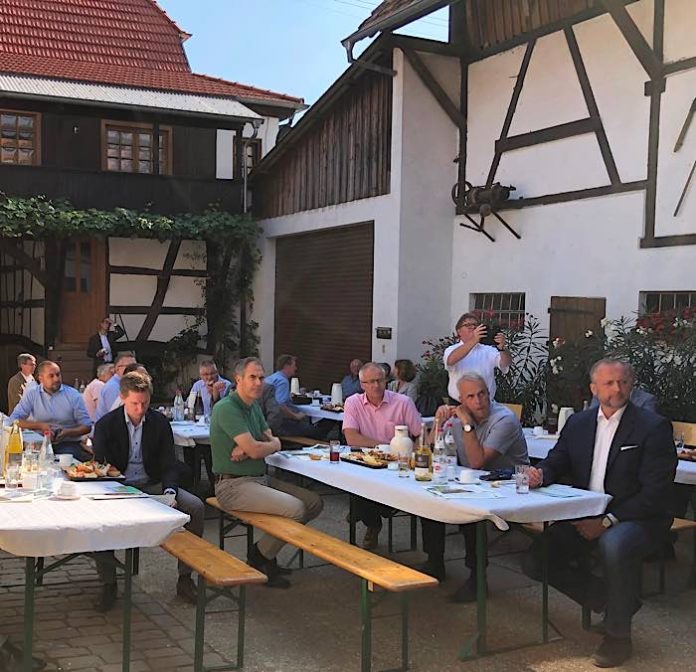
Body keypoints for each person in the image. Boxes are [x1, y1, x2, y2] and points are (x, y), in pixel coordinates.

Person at [523, 359, 676, 668]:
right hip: (587, 512)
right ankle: (610, 599)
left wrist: (607, 522)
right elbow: (558, 461)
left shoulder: (653, 426)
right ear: (594, 388)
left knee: (614, 545)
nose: (616, 389)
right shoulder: (579, 423)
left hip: (638, 518)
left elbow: (655, 492)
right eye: (608, 383)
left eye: (622, 382)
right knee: (537, 557)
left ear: (631, 385)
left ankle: (618, 638)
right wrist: (540, 473)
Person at [92, 371, 204, 611]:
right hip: (118, 485)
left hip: (152, 482)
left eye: (144, 403)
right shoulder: (105, 425)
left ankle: (185, 578)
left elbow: (168, 463)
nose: (140, 409)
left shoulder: (159, 423)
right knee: (97, 519)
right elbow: (99, 467)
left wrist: (171, 493)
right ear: (123, 399)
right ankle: (108, 582)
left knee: (195, 506)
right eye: (134, 403)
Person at [210, 357, 323, 588]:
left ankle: (264, 553)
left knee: (314, 502)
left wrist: (260, 446)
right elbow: (261, 445)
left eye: (261, 377)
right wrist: (264, 446)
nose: (258, 382)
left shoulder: (252, 407)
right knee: (295, 509)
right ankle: (260, 557)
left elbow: (267, 437)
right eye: (252, 377)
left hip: (259, 479)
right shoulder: (227, 408)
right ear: (238, 379)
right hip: (233, 485)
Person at [421, 373, 528, 600]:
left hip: (512, 485)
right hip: (477, 482)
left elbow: (477, 462)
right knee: (428, 498)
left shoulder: (504, 420)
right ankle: (434, 562)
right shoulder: (457, 416)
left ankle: (477, 578)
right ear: (461, 399)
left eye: (482, 394)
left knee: (471, 513)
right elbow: (430, 451)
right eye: (471, 397)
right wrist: (439, 423)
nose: (478, 401)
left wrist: (467, 425)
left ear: (489, 394)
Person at [343, 362, 422, 549]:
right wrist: (384, 446)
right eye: (369, 382)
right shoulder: (353, 402)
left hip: (397, 463)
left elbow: (421, 434)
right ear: (362, 384)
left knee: (368, 492)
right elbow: (351, 438)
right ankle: (372, 522)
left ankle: (367, 514)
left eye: (379, 380)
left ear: (386, 380)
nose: (375, 386)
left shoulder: (403, 402)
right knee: (353, 483)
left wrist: (413, 455)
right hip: (366, 461)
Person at [8, 361, 92, 459]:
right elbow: (14, 420)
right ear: (41, 378)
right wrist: (40, 426)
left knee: (68, 462)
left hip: (67, 443)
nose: (56, 379)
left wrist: (67, 432)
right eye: (51, 376)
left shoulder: (73, 395)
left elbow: (87, 426)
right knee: (29, 463)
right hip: (39, 442)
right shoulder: (32, 394)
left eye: (58, 374)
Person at [443, 313, 511, 402]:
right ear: (459, 331)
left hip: (485, 404)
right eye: (468, 325)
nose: (473, 328)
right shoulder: (452, 349)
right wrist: (474, 340)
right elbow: (451, 361)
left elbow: (505, 363)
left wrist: (502, 348)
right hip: (460, 404)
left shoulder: (488, 350)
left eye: (475, 325)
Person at [265, 354, 326, 439]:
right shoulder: (283, 381)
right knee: (317, 432)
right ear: (286, 366)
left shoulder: (271, 378)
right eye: (294, 365)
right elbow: (279, 405)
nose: (296, 368)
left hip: (269, 421)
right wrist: (295, 416)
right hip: (282, 424)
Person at [589, 363, 658, 413]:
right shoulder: (601, 395)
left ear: (633, 380)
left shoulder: (646, 399)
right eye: (610, 383)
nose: (617, 388)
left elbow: (648, 423)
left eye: (623, 381)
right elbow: (591, 417)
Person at [94, 353, 136, 421]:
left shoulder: (123, 384)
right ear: (117, 368)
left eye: (135, 366)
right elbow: (116, 416)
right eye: (130, 366)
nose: (134, 370)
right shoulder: (113, 387)